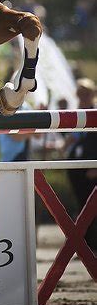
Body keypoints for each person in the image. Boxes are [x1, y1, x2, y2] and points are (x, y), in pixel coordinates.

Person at [65, 78, 97, 251]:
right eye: (80, 94)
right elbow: (74, 137)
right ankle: (84, 244)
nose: (82, 97)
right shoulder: (79, 113)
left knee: (91, 206)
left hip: (92, 167)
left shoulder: (94, 112)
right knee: (82, 205)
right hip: (78, 169)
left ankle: (90, 244)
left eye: (85, 93)